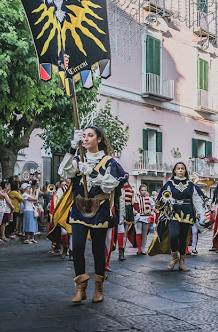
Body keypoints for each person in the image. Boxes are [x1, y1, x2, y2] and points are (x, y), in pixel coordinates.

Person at [58, 126, 128, 304]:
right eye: (84, 136)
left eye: (91, 135)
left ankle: (99, 289)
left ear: (99, 139)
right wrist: (72, 147)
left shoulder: (109, 162)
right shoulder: (77, 158)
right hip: (79, 208)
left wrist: (91, 172)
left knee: (98, 249)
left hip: (100, 208)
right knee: (78, 246)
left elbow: (108, 185)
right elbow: (63, 172)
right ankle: (80, 289)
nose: (87, 139)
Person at [148, 162, 207, 272]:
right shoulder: (169, 184)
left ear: (185, 170)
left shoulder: (190, 185)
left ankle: (182, 262)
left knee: (184, 238)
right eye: (178, 168)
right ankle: (174, 257)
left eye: (182, 168)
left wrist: (200, 214)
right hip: (173, 213)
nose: (180, 170)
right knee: (174, 235)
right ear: (174, 171)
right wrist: (167, 200)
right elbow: (160, 199)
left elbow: (197, 200)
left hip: (187, 213)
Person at [132, 184, 153, 255]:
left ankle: (143, 249)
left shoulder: (149, 198)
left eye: (145, 190)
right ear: (139, 191)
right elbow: (133, 206)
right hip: (138, 217)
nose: (143, 191)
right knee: (138, 233)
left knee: (144, 234)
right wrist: (134, 212)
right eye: (142, 190)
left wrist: (152, 212)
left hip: (146, 217)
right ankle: (139, 249)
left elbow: (154, 207)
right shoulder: (136, 198)